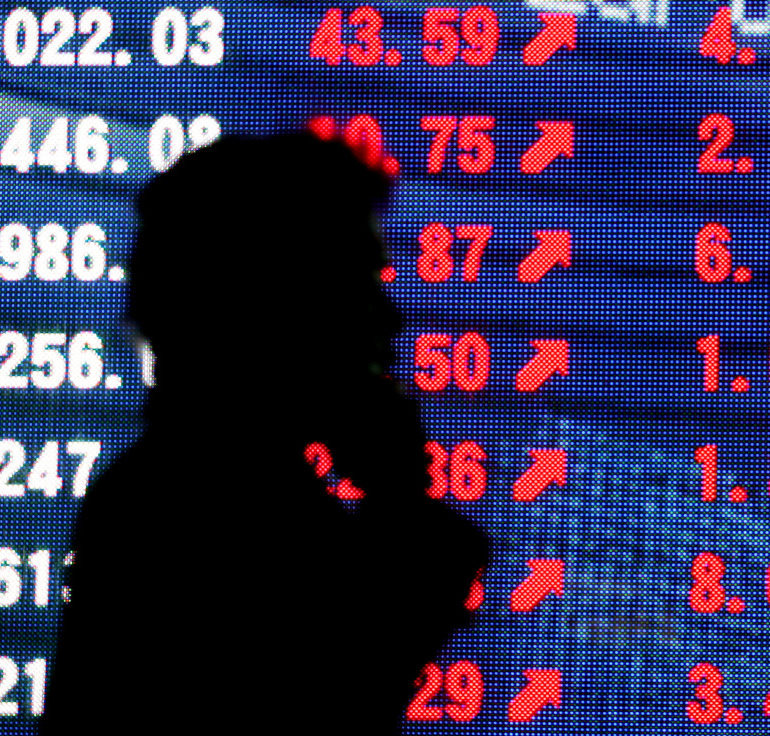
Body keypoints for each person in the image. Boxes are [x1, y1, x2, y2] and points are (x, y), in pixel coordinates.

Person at [38, 134, 490, 735]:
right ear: (270, 304)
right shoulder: (202, 512)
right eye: (356, 282)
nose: (388, 316)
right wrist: (401, 499)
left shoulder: (164, 492)